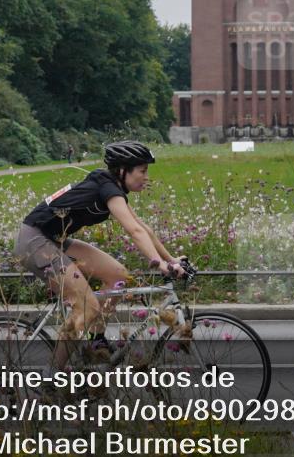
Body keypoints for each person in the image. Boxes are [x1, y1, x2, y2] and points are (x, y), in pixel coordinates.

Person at [15, 140, 184, 370]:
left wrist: (171, 260)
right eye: (142, 171)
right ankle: (51, 375)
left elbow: (143, 228)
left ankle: (96, 340)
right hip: (34, 240)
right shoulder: (108, 189)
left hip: (54, 239)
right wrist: (160, 265)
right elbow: (133, 232)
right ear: (123, 170)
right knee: (87, 307)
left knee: (118, 276)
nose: (146, 177)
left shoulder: (111, 187)